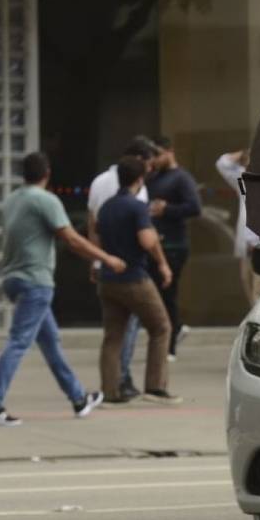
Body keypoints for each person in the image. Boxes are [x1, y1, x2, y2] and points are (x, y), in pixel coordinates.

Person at [0, 153, 122, 426]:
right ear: (47, 172)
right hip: (36, 281)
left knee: (50, 342)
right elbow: (71, 238)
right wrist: (106, 259)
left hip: (13, 278)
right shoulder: (45, 200)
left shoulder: (13, 199)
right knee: (19, 341)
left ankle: (79, 397)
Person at [95, 156, 181, 407]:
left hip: (108, 278)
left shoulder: (107, 206)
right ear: (140, 179)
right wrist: (159, 253)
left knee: (113, 336)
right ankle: (155, 387)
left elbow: (98, 238)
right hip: (134, 278)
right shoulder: (136, 207)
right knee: (161, 327)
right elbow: (145, 241)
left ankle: (110, 392)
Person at [87, 136, 160, 400]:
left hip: (107, 267)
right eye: (149, 165)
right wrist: (160, 260)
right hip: (132, 269)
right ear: (139, 164)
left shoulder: (98, 184)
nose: (150, 171)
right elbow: (145, 232)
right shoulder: (136, 191)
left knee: (113, 333)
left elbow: (92, 225)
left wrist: (96, 260)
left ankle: (111, 388)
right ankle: (128, 378)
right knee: (148, 326)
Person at [145, 135, 199, 361]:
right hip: (156, 243)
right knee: (157, 295)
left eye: (158, 154)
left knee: (167, 293)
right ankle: (175, 329)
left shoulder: (181, 178)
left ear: (169, 152)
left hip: (174, 245)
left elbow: (194, 207)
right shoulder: (154, 178)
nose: (155, 160)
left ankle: (170, 344)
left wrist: (167, 209)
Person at [215, 150, 260, 303]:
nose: (247, 165)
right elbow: (223, 163)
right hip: (247, 245)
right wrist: (245, 151)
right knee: (246, 281)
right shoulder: (244, 182)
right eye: (246, 161)